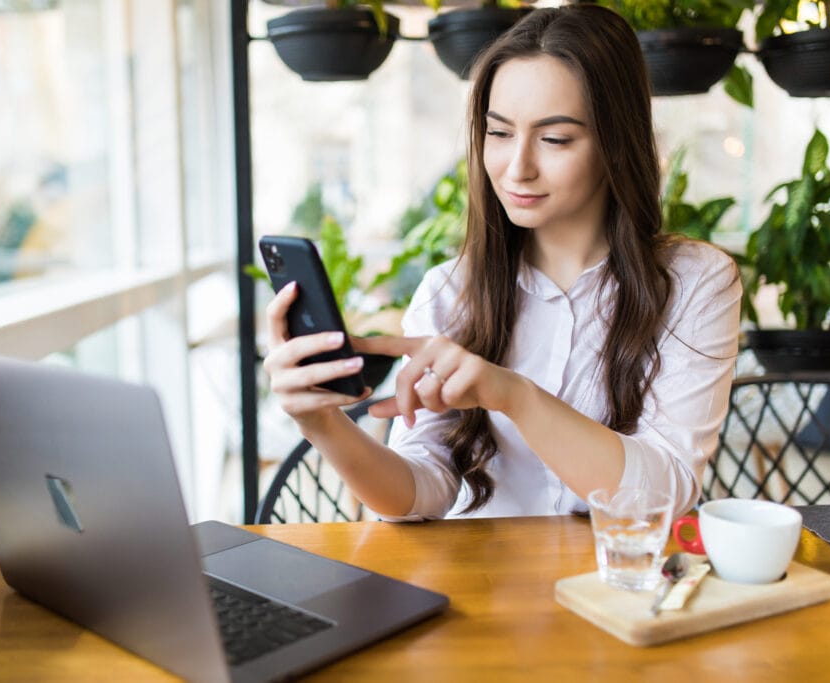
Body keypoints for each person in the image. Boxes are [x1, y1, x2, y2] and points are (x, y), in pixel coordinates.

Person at [262, 3, 741, 522]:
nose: (517, 168)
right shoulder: (449, 291)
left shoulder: (695, 282)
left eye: (555, 138)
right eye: (499, 132)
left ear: (615, 142)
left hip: (619, 587)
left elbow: (663, 497)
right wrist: (321, 423)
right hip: (481, 590)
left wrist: (512, 394)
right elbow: (419, 492)